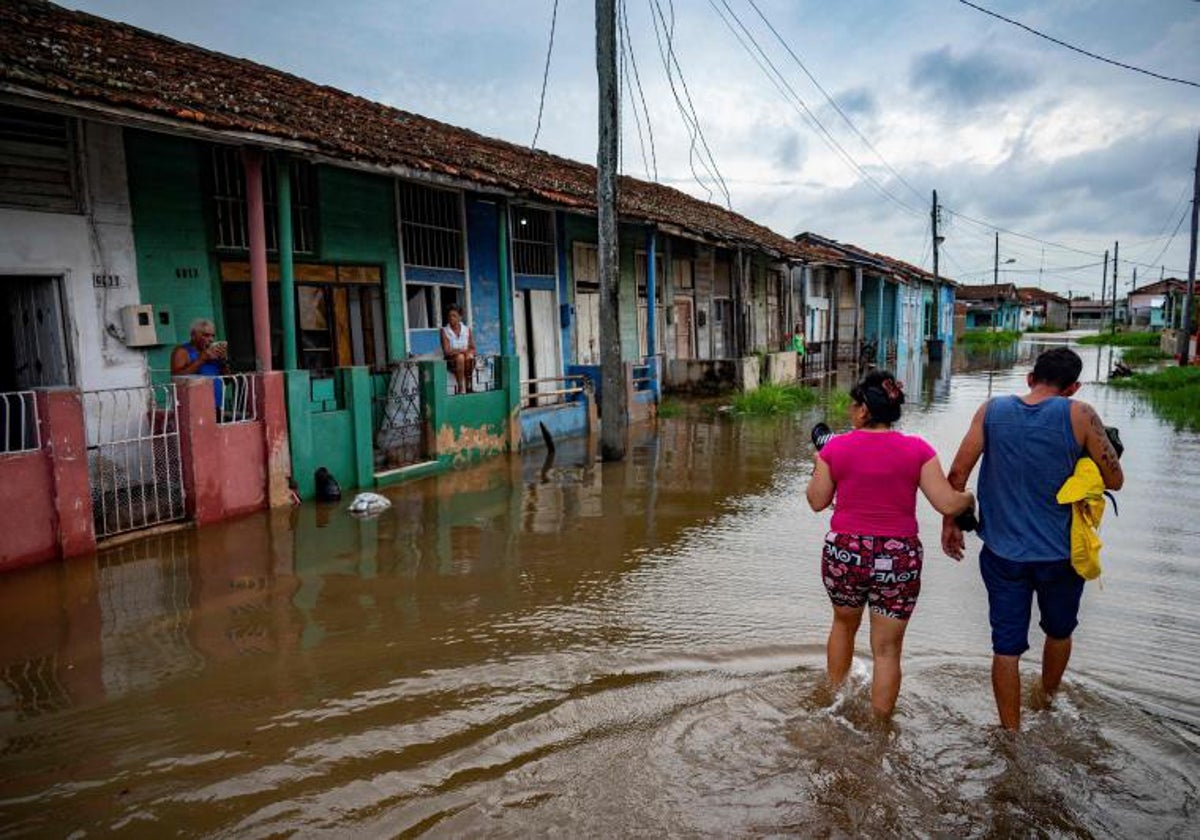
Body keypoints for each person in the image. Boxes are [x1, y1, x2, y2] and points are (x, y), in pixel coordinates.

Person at [941, 347, 1123, 731]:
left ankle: (1011, 733)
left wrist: (950, 524)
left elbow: (957, 475)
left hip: (1003, 554)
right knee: (1059, 631)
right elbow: (1115, 480)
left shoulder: (990, 411)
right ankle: (1046, 701)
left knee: (1005, 647)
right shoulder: (1080, 414)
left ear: (1029, 377)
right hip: (1061, 554)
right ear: (1073, 386)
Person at [806, 370, 974, 718]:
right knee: (887, 650)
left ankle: (834, 704)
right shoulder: (918, 450)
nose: (851, 411)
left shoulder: (834, 448)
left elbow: (817, 501)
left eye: (853, 405)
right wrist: (969, 497)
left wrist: (818, 466)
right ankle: (880, 728)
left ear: (864, 410)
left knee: (842, 625)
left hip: (846, 553)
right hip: (898, 558)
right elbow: (947, 503)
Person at [171, 317, 229, 410]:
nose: (211, 339)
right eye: (206, 335)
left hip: (217, 405)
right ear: (193, 335)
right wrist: (201, 359)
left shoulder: (213, 353)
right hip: (195, 407)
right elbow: (177, 377)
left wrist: (224, 360)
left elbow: (227, 381)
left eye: (212, 336)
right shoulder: (182, 351)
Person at [440, 304, 476, 394]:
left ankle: (469, 386)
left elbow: (473, 348)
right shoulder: (444, 331)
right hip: (451, 361)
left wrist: (468, 353)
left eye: (454, 316)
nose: (451, 318)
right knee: (460, 357)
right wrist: (462, 351)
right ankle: (460, 387)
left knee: (468, 357)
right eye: (449, 316)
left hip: (466, 361)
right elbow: (447, 351)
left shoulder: (467, 330)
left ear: (460, 317)